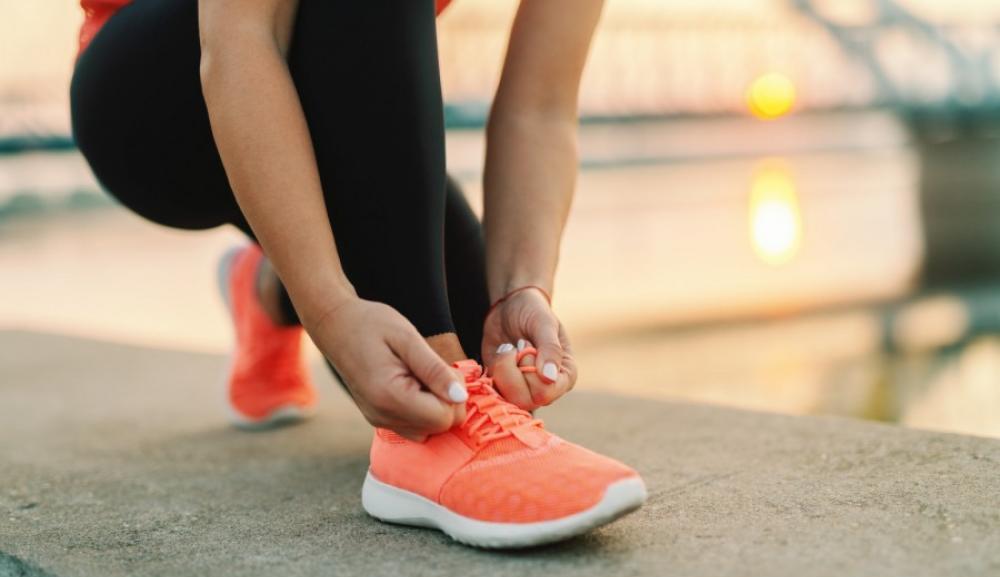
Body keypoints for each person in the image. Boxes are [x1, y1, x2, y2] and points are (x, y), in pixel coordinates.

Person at [70, 0, 645, 548]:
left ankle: (267, 289)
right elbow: (241, 37)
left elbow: (540, 105)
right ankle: (418, 436)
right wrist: (329, 307)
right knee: (434, 380)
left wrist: (522, 289)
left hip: (324, 106)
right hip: (157, 101)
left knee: (477, 353)